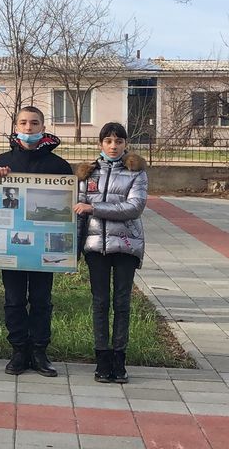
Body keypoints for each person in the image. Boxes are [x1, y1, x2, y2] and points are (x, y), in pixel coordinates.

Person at [0, 106, 73, 378]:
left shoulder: (59, 166)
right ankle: (17, 351)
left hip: (43, 249)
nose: (28, 128)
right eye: (23, 123)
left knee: (41, 300)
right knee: (13, 300)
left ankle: (39, 352)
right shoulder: (1, 162)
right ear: (15, 126)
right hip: (11, 246)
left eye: (34, 123)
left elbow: (67, 209)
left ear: (43, 127)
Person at [74, 122, 148, 384]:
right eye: (108, 141)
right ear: (100, 144)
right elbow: (78, 214)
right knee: (100, 302)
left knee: (122, 303)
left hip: (126, 246)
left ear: (125, 143)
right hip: (96, 248)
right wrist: (75, 248)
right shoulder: (88, 173)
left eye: (118, 141)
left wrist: (94, 208)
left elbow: (134, 207)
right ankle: (102, 359)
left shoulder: (136, 172)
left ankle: (120, 359)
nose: (113, 146)